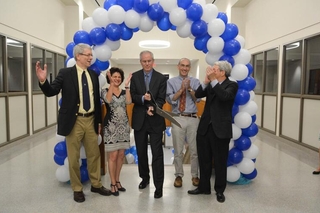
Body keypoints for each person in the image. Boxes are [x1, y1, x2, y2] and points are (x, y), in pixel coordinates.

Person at [35, 43, 111, 203]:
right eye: (88, 55)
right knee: (74, 157)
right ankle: (77, 188)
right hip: (74, 121)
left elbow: (96, 101)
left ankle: (96, 184)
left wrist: (98, 122)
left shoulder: (93, 75)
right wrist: (43, 81)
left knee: (94, 155)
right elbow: (51, 91)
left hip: (91, 120)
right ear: (78, 56)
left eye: (91, 55)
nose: (91, 57)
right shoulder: (65, 73)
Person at [188, 61, 238, 203]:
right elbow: (198, 94)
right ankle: (204, 187)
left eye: (214, 69)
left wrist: (213, 81)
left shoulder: (232, 85)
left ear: (222, 72)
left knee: (220, 162)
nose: (211, 71)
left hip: (221, 130)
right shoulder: (210, 83)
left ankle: (220, 190)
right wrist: (205, 81)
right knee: (204, 160)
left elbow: (224, 96)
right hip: (205, 128)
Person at [130, 50, 167, 199]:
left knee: (157, 154)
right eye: (144, 61)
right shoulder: (135, 76)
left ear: (153, 61)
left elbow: (161, 98)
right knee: (141, 152)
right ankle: (144, 178)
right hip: (140, 120)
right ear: (141, 62)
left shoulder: (160, 78)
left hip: (156, 120)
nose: (147, 63)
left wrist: (154, 107)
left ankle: (159, 186)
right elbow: (132, 96)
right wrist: (141, 98)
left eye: (149, 61)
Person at [166, 58, 201, 188]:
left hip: (192, 118)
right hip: (178, 117)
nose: (185, 68)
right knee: (178, 150)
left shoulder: (196, 82)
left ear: (189, 68)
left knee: (194, 149)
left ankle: (195, 175)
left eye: (187, 66)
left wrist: (190, 88)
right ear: (178, 66)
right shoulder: (171, 82)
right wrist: (181, 90)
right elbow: (170, 100)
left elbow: (197, 99)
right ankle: (179, 175)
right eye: (182, 65)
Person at [101, 67, 132, 196]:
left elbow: (129, 102)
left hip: (124, 127)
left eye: (119, 77)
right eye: (114, 77)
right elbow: (108, 100)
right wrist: (111, 85)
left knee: (120, 156)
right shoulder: (105, 91)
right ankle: (113, 183)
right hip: (111, 127)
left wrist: (127, 86)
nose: (117, 79)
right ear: (110, 77)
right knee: (112, 156)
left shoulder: (124, 92)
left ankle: (118, 180)